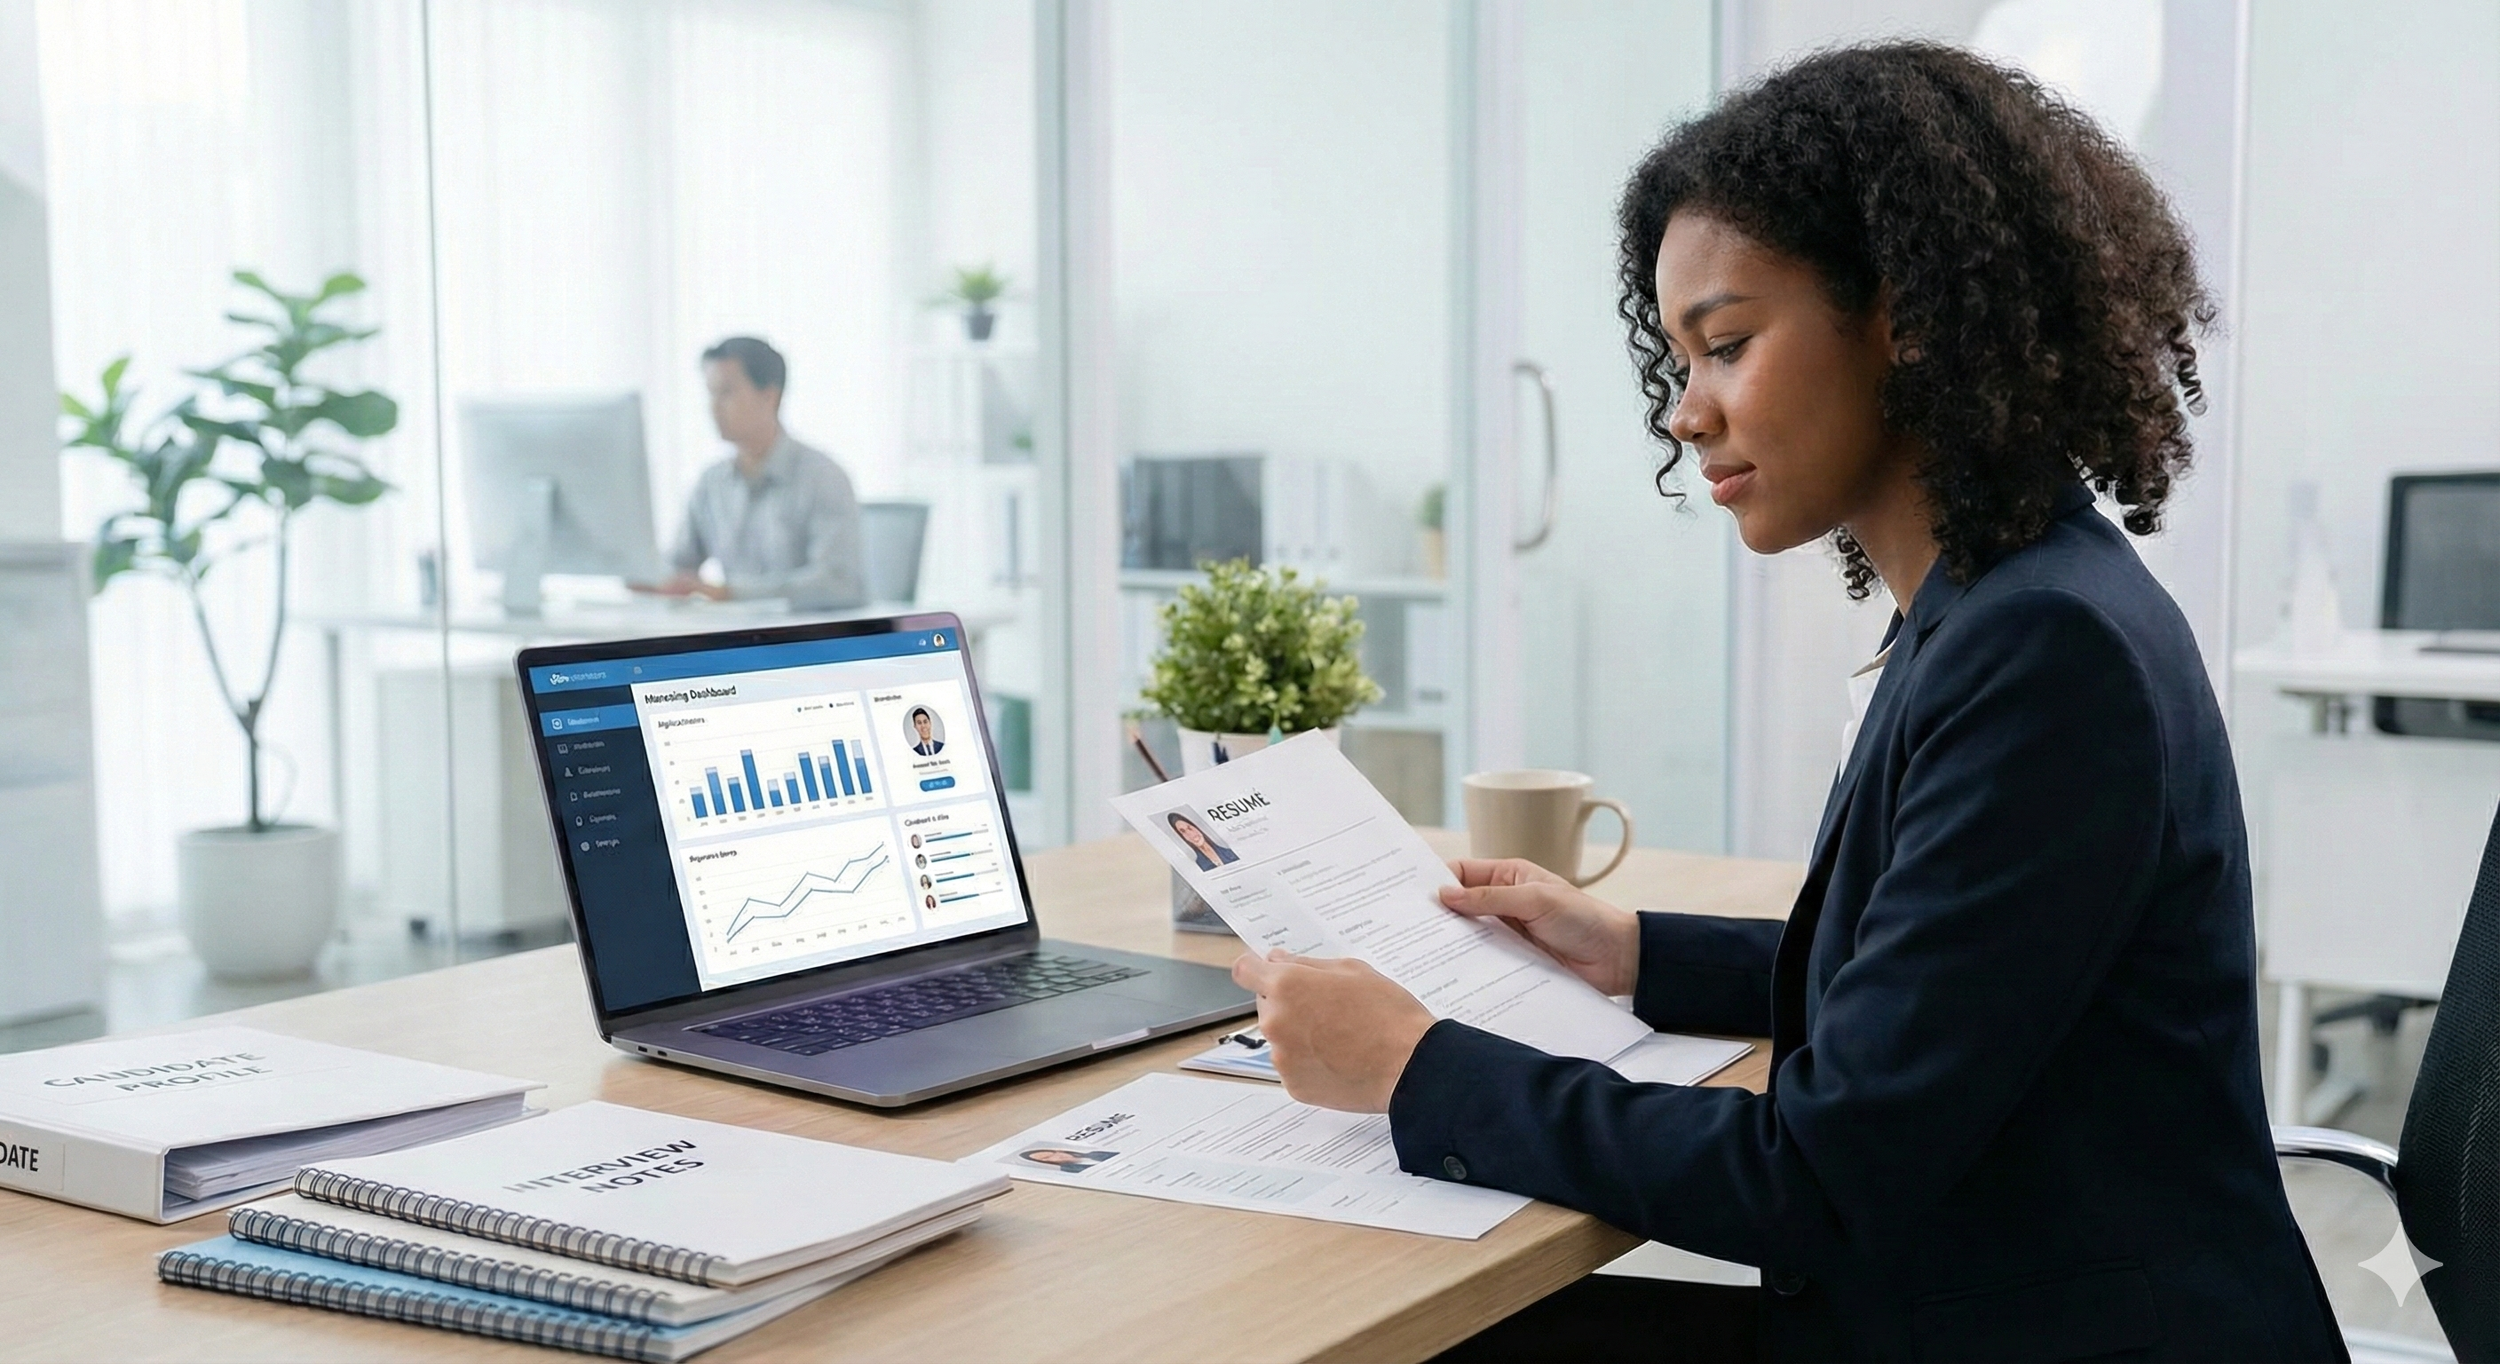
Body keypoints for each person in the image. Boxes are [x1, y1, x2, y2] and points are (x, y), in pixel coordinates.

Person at [1228, 44, 2344, 1364]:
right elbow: (1935, 979)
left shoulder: (2047, 654)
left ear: (1907, 317)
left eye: (1729, 346)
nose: (1686, 414)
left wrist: (1416, 1067)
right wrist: (1634, 949)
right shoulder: (2008, 600)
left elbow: (1814, 1173)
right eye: (1679, 361)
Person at [644, 336, 866, 609]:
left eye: (726, 393)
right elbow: (678, 565)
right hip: (736, 637)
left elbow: (837, 584)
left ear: (769, 396)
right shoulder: (712, 482)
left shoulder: (823, 477)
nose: (713, 408)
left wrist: (731, 593)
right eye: (710, 394)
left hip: (803, 643)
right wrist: (645, 574)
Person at [1166, 812, 1238, 872]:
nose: (1191, 835)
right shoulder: (1198, 866)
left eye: (1190, 828)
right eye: (1183, 832)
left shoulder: (1228, 852)